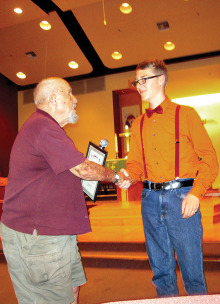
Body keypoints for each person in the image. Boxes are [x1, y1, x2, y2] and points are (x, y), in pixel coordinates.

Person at [0, 77, 131, 304]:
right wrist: (116, 176)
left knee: (71, 289)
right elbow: (83, 169)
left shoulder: (45, 127)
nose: (75, 99)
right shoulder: (43, 127)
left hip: (55, 232)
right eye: (70, 94)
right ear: (53, 99)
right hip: (38, 236)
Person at [121, 59, 219, 297]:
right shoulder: (138, 125)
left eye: (144, 79)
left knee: (192, 271)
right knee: (161, 272)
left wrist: (196, 194)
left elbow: (210, 159)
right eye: (137, 81)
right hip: (150, 199)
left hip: (181, 197)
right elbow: (134, 165)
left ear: (161, 79)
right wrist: (127, 176)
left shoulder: (186, 114)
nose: (139, 85)